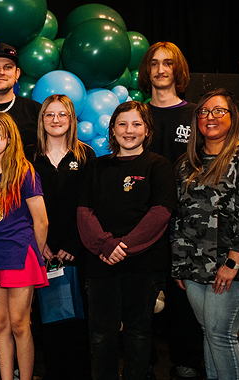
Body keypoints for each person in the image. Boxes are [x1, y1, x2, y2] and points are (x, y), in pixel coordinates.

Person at [172, 88, 239, 380]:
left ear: (233, 117)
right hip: (195, 265)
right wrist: (180, 264)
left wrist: (232, 262)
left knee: (221, 333)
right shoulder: (187, 163)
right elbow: (179, 216)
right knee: (209, 331)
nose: (210, 117)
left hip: (238, 266)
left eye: (219, 111)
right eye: (204, 112)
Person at [76, 101, 175, 380]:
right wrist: (105, 245)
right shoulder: (95, 167)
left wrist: (124, 247)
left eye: (136, 124)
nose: (128, 131)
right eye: (122, 124)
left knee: (138, 333)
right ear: (112, 130)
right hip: (101, 264)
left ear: (147, 130)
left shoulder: (158, 165)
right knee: (101, 335)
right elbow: (83, 212)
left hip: (143, 266)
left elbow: (161, 212)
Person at [136, 41, 203, 378]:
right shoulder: (136, 115)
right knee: (140, 298)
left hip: (186, 222)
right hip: (141, 220)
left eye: (168, 63)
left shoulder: (195, 115)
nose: (161, 69)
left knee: (183, 296)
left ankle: (187, 363)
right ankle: (142, 363)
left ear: (179, 70)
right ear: (146, 71)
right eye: (154, 63)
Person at [0, 112, 50, 380]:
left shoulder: (23, 171)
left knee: (20, 323)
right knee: (1, 323)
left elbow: (41, 220)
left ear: (9, 139)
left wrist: (34, 254)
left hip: (19, 253)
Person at [24, 94, 95, 380]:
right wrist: (39, 243)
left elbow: (90, 203)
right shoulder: (28, 156)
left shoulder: (85, 155)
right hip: (38, 250)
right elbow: (20, 205)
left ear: (72, 119)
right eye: (50, 114)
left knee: (77, 318)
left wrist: (72, 244)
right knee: (46, 320)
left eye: (62, 114)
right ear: (42, 120)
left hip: (75, 250)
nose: (56, 120)